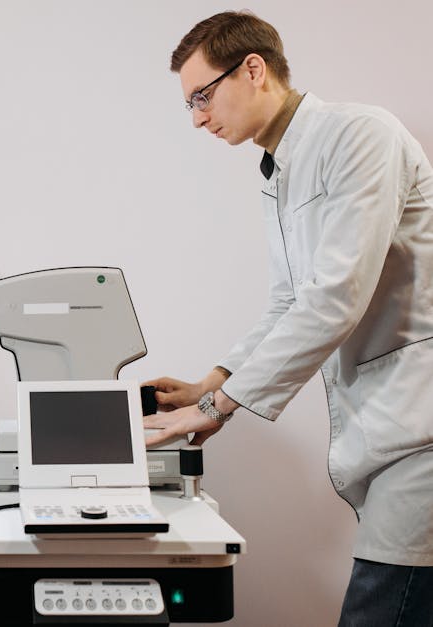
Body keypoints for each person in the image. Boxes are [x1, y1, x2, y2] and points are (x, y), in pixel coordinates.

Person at [145, 10, 433, 627]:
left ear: (253, 69)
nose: (197, 117)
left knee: (378, 609)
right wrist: (210, 383)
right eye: (188, 104)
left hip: (422, 427)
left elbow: (335, 296)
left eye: (202, 95)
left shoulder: (360, 134)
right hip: (385, 429)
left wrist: (218, 408)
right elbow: (289, 302)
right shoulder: (279, 171)